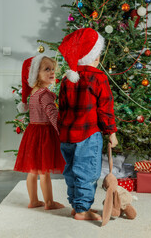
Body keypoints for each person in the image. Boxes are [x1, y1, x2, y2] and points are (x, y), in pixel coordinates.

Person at [57, 28, 118, 221]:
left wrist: (62, 130)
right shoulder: (98, 77)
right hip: (88, 134)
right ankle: (82, 211)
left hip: (67, 135)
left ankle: (76, 206)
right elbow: (105, 109)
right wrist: (111, 132)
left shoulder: (67, 79)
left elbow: (62, 108)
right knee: (87, 172)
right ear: (95, 57)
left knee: (71, 170)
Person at [14, 55, 65, 210]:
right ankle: (49, 203)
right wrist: (62, 132)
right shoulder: (45, 94)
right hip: (44, 134)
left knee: (33, 170)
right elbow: (52, 115)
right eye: (47, 69)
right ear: (35, 74)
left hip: (33, 133)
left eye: (53, 69)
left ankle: (34, 201)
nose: (52, 73)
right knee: (44, 172)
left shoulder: (34, 93)